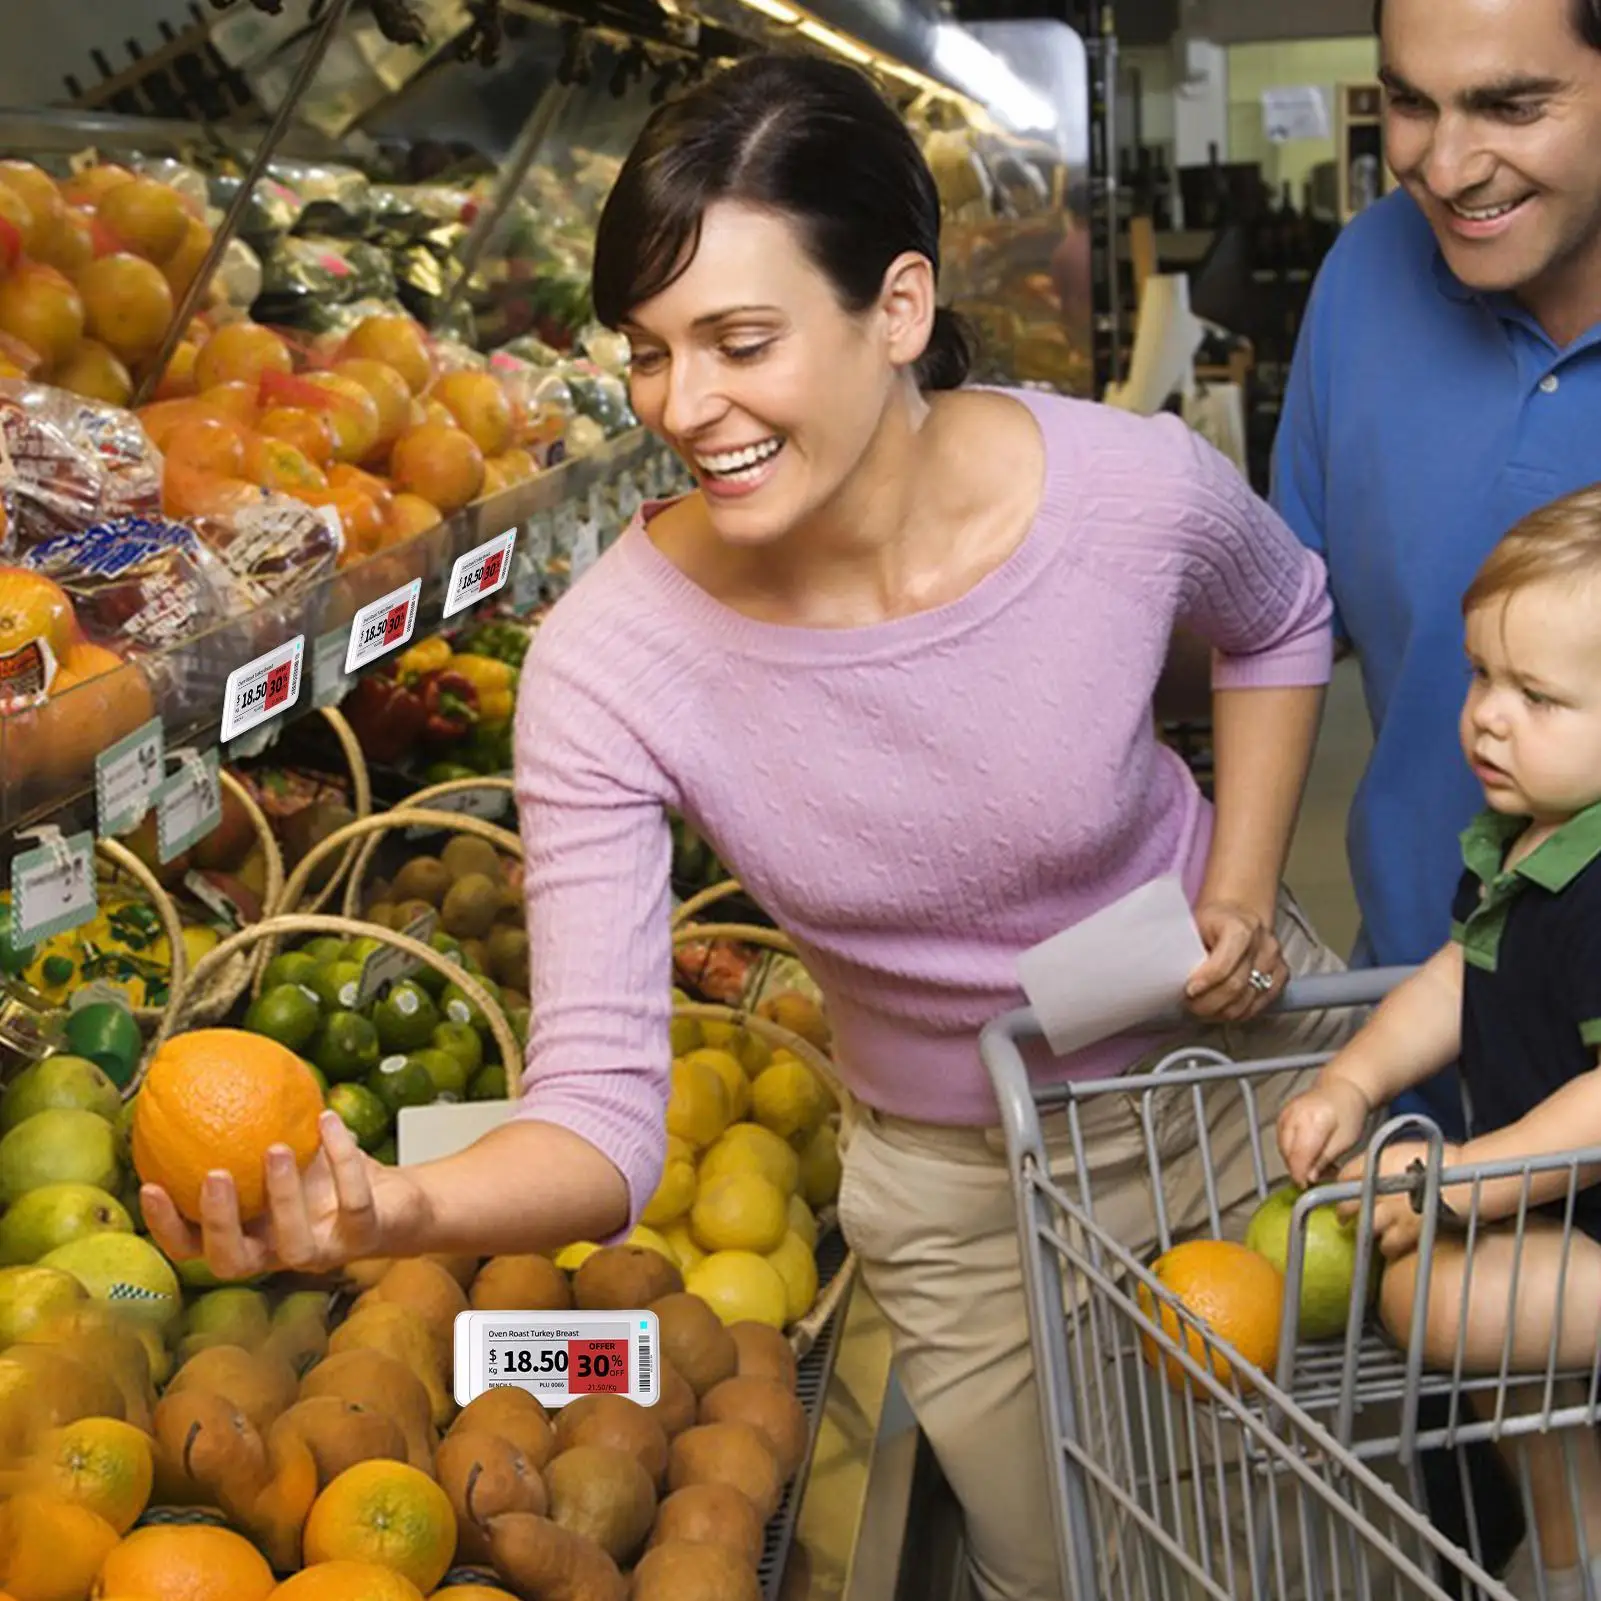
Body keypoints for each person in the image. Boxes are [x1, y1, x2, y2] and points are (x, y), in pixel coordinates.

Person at [143, 56, 1351, 1601]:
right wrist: (399, 1208)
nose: (682, 408)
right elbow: (602, 1107)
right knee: (1075, 1573)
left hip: (1233, 1091)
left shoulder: (1126, 494)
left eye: (741, 340)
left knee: (1315, 1544)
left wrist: (1242, 880)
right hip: (961, 1187)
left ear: (898, 309)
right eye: (648, 352)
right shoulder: (608, 660)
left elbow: (1282, 614)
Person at [1272, 0, 1601, 1574]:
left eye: (1511, 106)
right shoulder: (1360, 283)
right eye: (1409, 104)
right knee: (1493, 1510)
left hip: (1523, 1163)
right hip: (1451, 1069)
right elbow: (1283, 612)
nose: (1445, 164)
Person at [1278, 485, 1601, 1601]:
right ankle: (1569, 1554)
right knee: (1483, 1345)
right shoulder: (1521, 839)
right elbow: (1460, 975)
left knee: (1434, 1301)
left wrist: (1464, 1174)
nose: (1486, 716)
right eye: (1479, 674)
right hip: (1561, 1220)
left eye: (1537, 695)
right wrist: (1350, 1076)